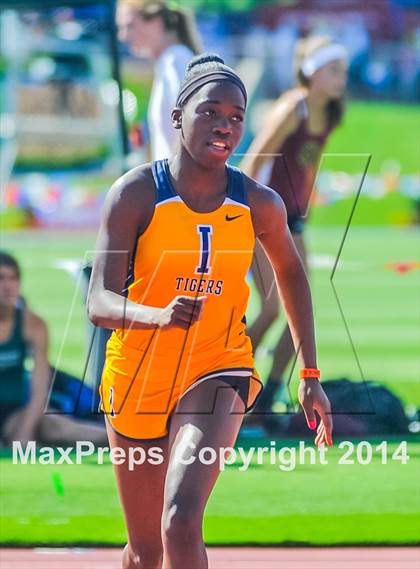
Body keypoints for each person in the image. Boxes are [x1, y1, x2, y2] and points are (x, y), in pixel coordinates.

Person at [87, 52, 333, 569]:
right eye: (211, 111)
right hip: (138, 373)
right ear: (178, 116)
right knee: (146, 549)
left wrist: (309, 372)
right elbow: (99, 302)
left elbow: (291, 273)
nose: (225, 125)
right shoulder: (134, 193)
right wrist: (155, 315)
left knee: (179, 520)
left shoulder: (258, 203)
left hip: (217, 368)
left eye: (237, 116)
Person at [240, 36, 348, 418]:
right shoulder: (293, 107)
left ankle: (269, 392)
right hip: (264, 216)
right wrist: (243, 212)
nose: (341, 79)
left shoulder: (331, 112)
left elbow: (310, 163)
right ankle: (224, 381)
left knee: (300, 312)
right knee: (271, 309)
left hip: (294, 220)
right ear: (311, 71)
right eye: (334, 70)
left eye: (343, 71)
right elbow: (255, 160)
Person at [0, 251, 107, 447]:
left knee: (53, 425)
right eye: (1, 278)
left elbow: (41, 385)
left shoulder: (32, 324)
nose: (8, 286)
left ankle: (126, 440)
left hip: (13, 412)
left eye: (13, 278)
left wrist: (25, 432)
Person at [117, 0, 202, 160]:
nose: (123, 36)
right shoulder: (170, 61)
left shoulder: (174, 60)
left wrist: (171, 177)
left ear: (155, 23)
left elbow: (192, 123)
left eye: (130, 26)